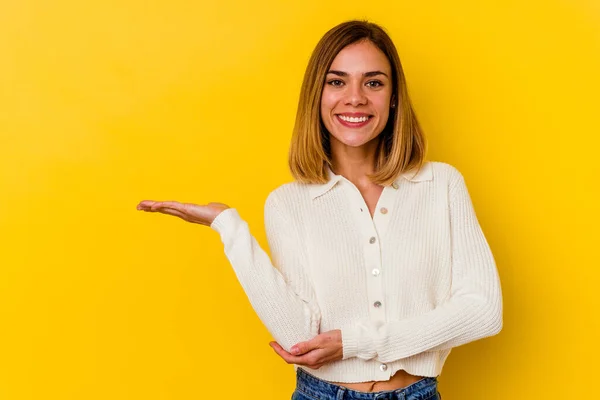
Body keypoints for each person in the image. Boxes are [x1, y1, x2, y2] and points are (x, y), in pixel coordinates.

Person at [137, 20, 503, 400]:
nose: (356, 97)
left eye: (373, 82)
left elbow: (483, 311)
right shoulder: (288, 203)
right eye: (337, 81)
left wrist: (356, 342)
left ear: (394, 97)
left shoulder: (441, 185)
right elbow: (299, 337)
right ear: (317, 94)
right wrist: (228, 227)